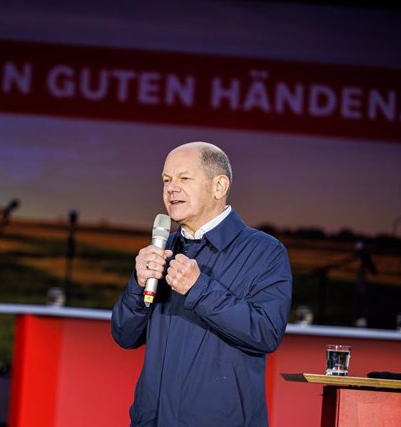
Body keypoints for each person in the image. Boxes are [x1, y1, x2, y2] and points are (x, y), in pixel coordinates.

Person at [111, 141, 292, 427]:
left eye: (184, 178)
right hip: (152, 420)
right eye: (166, 180)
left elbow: (266, 332)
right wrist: (138, 283)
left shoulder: (264, 252)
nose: (171, 188)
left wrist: (199, 289)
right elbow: (125, 335)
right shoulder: (164, 248)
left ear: (219, 186)